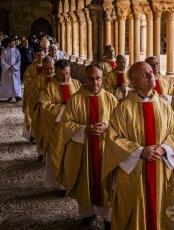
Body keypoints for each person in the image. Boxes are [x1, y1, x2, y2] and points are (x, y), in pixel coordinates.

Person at [102, 61, 174, 230]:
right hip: (134, 173)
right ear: (133, 82)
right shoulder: (123, 108)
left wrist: (163, 148)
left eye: (150, 71)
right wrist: (139, 152)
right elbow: (113, 138)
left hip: (160, 169)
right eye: (144, 74)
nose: (150, 74)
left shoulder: (164, 105)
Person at [59, 64, 118, 228]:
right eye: (91, 79)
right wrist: (84, 129)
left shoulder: (111, 99)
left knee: (105, 184)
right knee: (86, 180)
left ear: (103, 79)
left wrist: (106, 126)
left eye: (98, 78)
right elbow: (66, 123)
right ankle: (88, 213)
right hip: (84, 151)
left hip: (105, 150)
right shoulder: (75, 99)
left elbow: (120, 124)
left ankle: (108, 219)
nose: (95, 83)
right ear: (85, 79)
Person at [38, 59, 81, 191]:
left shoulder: (76, 84)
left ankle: (74, 181)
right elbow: (45, 107)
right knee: (58, 155)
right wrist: (64, 109)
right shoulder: (50, 87)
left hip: (74, 128)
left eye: (67, 73)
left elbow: (82, 103)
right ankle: (60, 184)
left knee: (73, 156)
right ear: (56, 72)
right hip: (57, 129)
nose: (65, 77)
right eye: (61, 74)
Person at [30, 56, 55, 159]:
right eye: (46, 69)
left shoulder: (57, 79)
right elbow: (33, 94)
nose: (49, 71)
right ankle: (41, 152)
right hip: (41, 111)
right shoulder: (38, 79)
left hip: (53, 111)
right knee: (41, 131)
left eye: (51, 68)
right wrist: (45, 95)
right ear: (43, 67)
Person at [22, 48, 44, 141]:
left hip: (43, 96)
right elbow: (26, 80)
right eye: (38, 55)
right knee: (32, 114)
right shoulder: (31, 67)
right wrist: (36, 81)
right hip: (32, 96)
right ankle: (32, 134)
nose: (40, 57)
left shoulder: (47, 67)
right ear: (35, 56)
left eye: (42, 55)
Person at [0, 38, 22, 102]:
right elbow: (2, 61)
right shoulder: (4, 51)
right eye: (12, 43)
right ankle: (10, 96)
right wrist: (8, 67)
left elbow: (19, 60)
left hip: (15, 70)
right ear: (8, 43)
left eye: (14, 43)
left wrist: (14, 67)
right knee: (9, 84)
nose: (14, 44)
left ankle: (17, 96)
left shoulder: (16, 51)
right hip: (7, 71)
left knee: (16, 83)